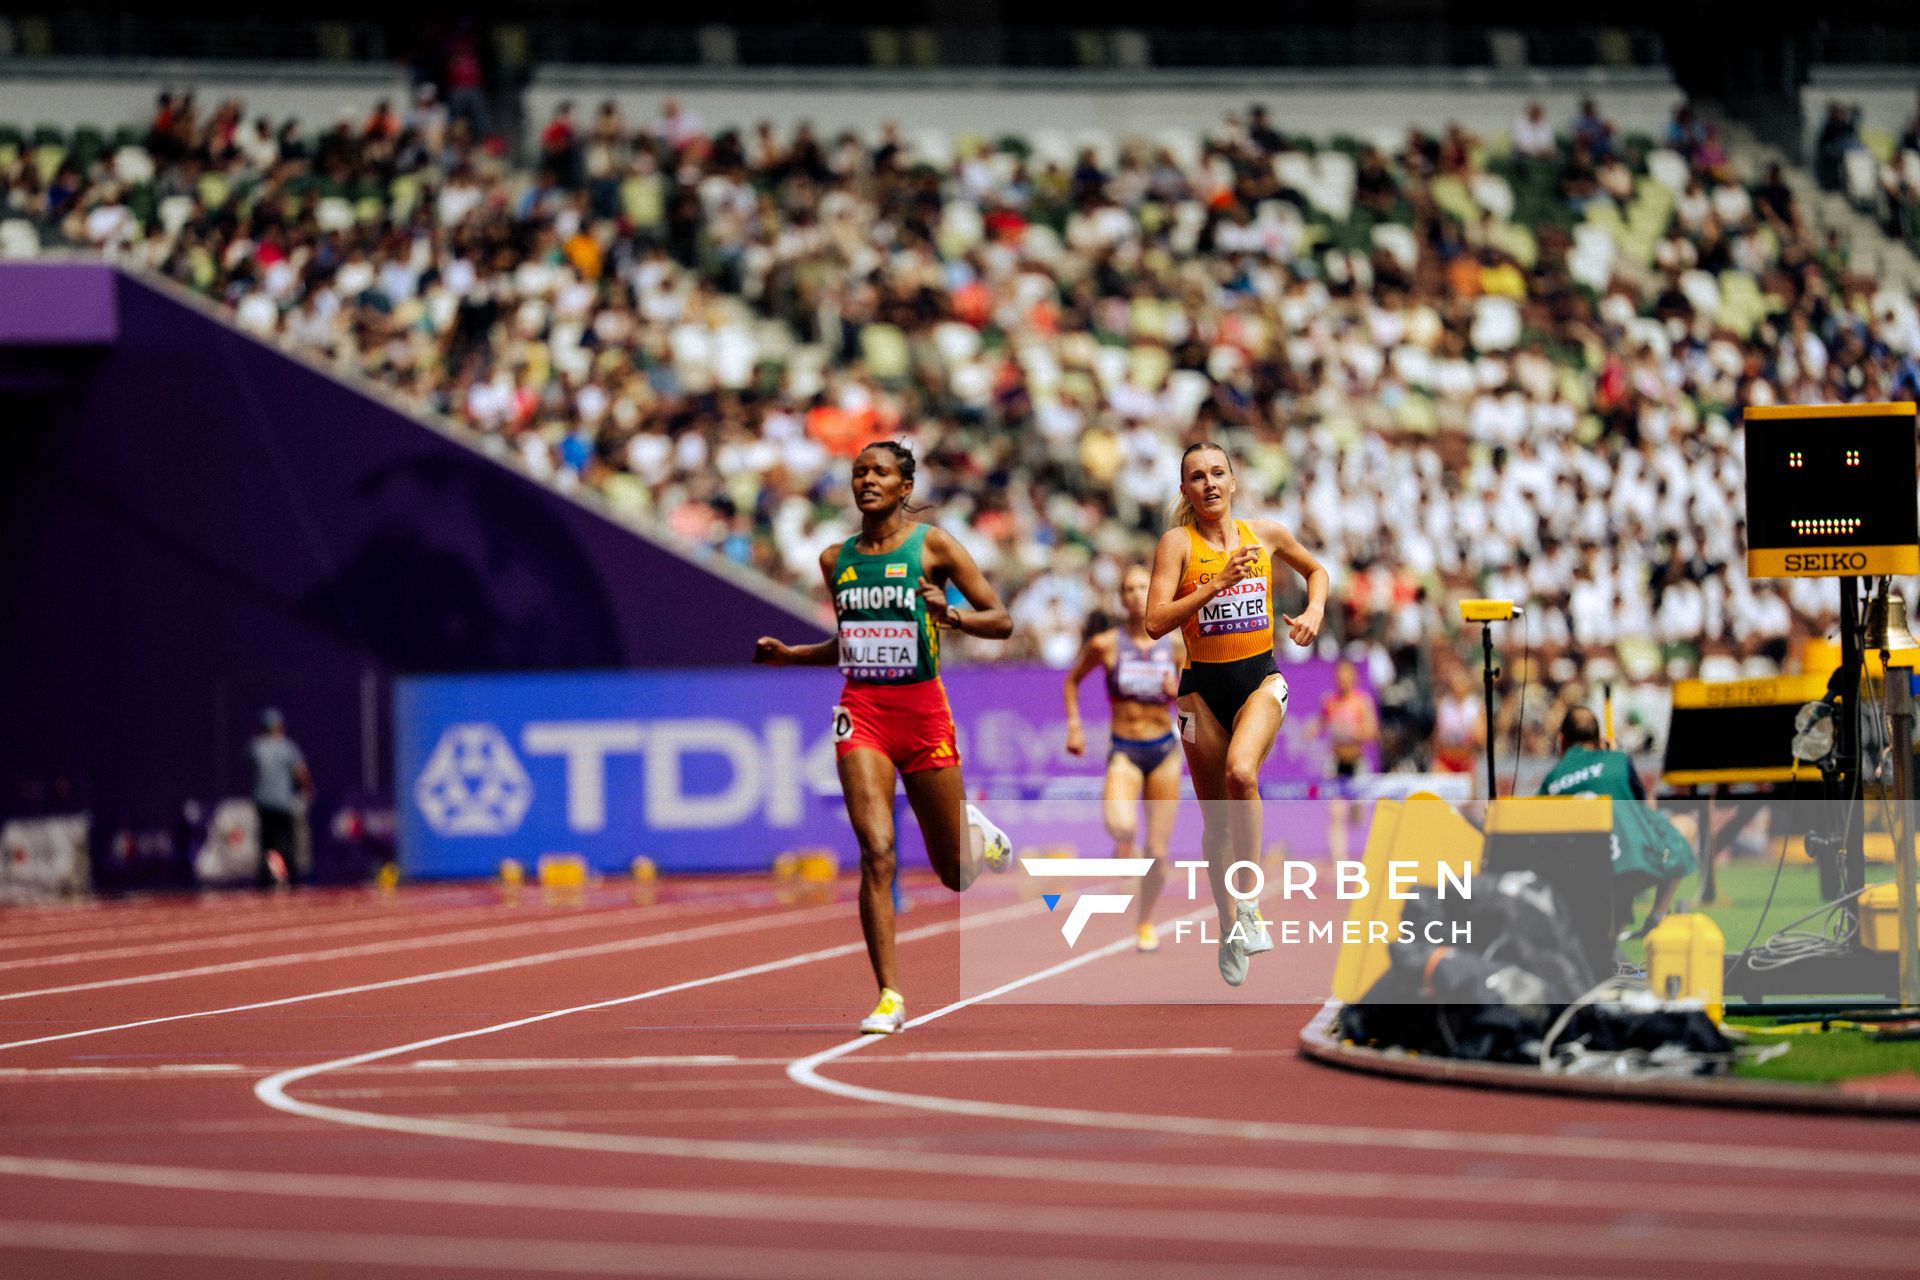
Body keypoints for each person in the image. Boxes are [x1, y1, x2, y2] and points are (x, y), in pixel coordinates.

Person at [753, 441, 1015, 1035]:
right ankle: (890, 996)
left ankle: (976, 833)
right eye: (859, 472)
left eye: (880, 472)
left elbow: (1001, 621)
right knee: (877, 852)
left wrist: (949, 615)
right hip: (862, 712)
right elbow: (850, 643)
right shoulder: (835, 559)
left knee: (955, 875)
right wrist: (791, 655)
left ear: (905, 487)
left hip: (923, 715)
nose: (867, 480)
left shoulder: (934, 546)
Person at [1144, 441, 1328, 987]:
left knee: (1241, 774)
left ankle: (1248, 902)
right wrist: (1215, 585)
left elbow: (1316, 570)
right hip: (1199, 693)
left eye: (1218, 473)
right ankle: (1229, 924)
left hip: (1259, 680)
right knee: (1216, 824)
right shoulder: (1177, 544)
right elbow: (1154, 622)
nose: (1210, 484)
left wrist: (1314, 610)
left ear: (1233, 480)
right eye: (1198, 477)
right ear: (1185, 489)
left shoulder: (1265, 534)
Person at [1062, 563, 1187, 953]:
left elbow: (1193, 697)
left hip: (1164, 750)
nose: (1135, 594)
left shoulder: (1176, 645)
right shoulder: (1106, 644)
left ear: (1155, 592)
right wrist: (1075, 726)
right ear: (1120, 599)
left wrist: (1177, 692)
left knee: (1158, 852)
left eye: (1142, 587)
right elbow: (1071, 682)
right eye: (1128, 589)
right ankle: (1124, 842)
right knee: (1120, 825)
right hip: (1125, 749)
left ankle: (1145, 921)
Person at [1538, 706, 1696, 939]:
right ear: (1600, 739)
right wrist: (1614, 755)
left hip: (1580, 879)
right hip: (1633, 869)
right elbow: (1646, 810)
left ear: (1561, 740)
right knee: (1686, 826)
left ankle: (1612, 925)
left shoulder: (1552, 778)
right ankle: (1657, 917)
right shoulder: (1618, 760)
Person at [1318, 657, 1379, 862]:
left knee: (1358, 816)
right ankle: (1339, 862)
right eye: (1339, 676)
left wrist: (1353, 732)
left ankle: (1364, 856)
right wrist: (1314, 730)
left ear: (1354, 677)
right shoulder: (1329, 701)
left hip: (1357, 764)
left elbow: (1372, 732)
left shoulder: (1362, 702)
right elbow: (1321, 723)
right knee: (1336, 813)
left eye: (1346, 675)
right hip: (1336, 763)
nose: (1342, 680)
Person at [250, 707, 312, 889]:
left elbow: (248, 765)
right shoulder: (286, 747)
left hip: (263, 803)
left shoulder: (256, 747)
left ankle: (266, 880)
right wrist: (307, 788)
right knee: (286, 843)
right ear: (279, 727)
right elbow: (300, 771)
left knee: (267, 844)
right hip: (283, 803)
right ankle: (291, 881)